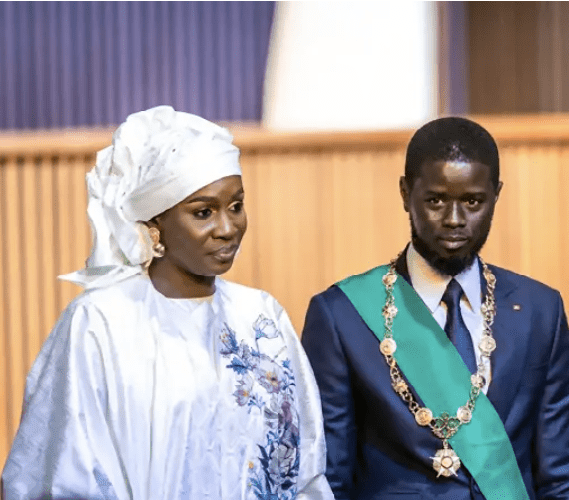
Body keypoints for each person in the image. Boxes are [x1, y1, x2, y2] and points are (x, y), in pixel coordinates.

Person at [1, 106, 333, 500]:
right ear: (154, 226)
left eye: (237, 206)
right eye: (204, 213)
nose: (228, 229)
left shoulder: (260, 316)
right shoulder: (102, 321)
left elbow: (304, 464)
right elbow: (69, 466)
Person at [300, 117, 569, 500]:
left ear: (496, 195)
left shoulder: (540, 311)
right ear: (406, 193)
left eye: (472, 202)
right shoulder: (342, 316)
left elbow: (564, 475)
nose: (454, 221)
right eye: (436, 200)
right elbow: (328, 478)